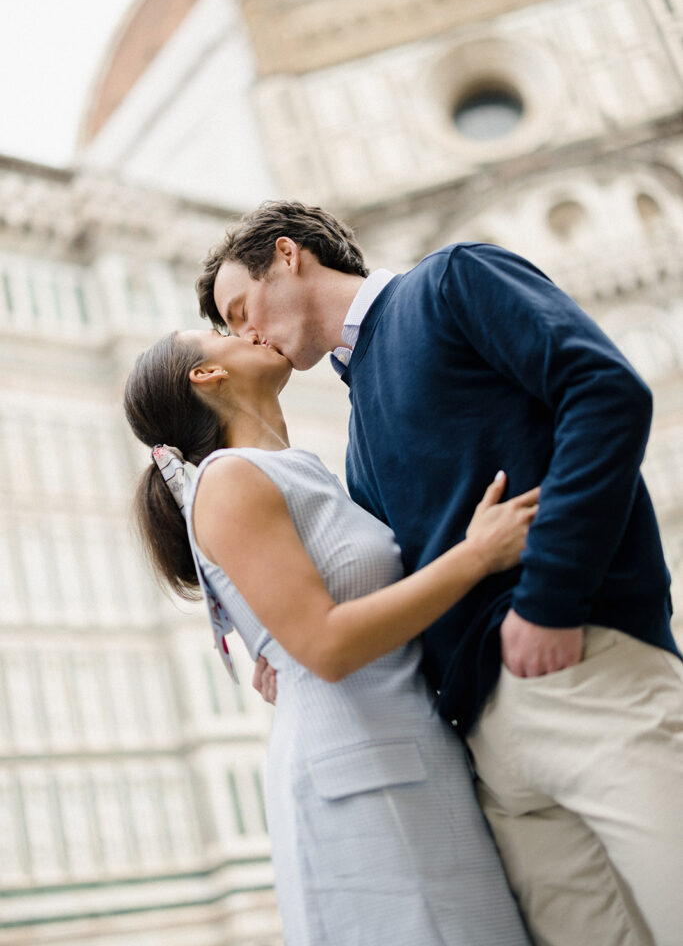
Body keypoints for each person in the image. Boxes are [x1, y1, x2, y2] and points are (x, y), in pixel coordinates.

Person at [196, 200, 683, 946]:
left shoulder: (451, 282)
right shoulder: (359, 436)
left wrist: (551, 601)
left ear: (288, 255)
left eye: (241, 310)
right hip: (488, 750)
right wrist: (279, 645)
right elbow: (386, 584)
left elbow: (606, 392)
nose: (246, 335)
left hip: (584, 670)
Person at [124, 328, 539, 946]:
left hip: (407, 754)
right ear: (206, 375)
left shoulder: (291, 469)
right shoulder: (230, 478)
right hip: (361, 777)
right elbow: (326, 646)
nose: (249, 330)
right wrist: (476, 556)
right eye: (221, 331)